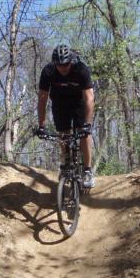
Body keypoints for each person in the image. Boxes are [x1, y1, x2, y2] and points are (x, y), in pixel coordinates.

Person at [35, 44, 96, 188]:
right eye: (60, 65)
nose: (63, 68)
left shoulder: (81, 69)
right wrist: (41, 125)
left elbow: (89, 98)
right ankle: (65, 164)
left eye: (66, 64)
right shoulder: (48, 71)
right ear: (54, 63)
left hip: (79, 102)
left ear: (71, 61)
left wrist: (87, 124)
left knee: (84, 134)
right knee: (63, 134)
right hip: (59, 103)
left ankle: (87, 170)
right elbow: (42, 99)